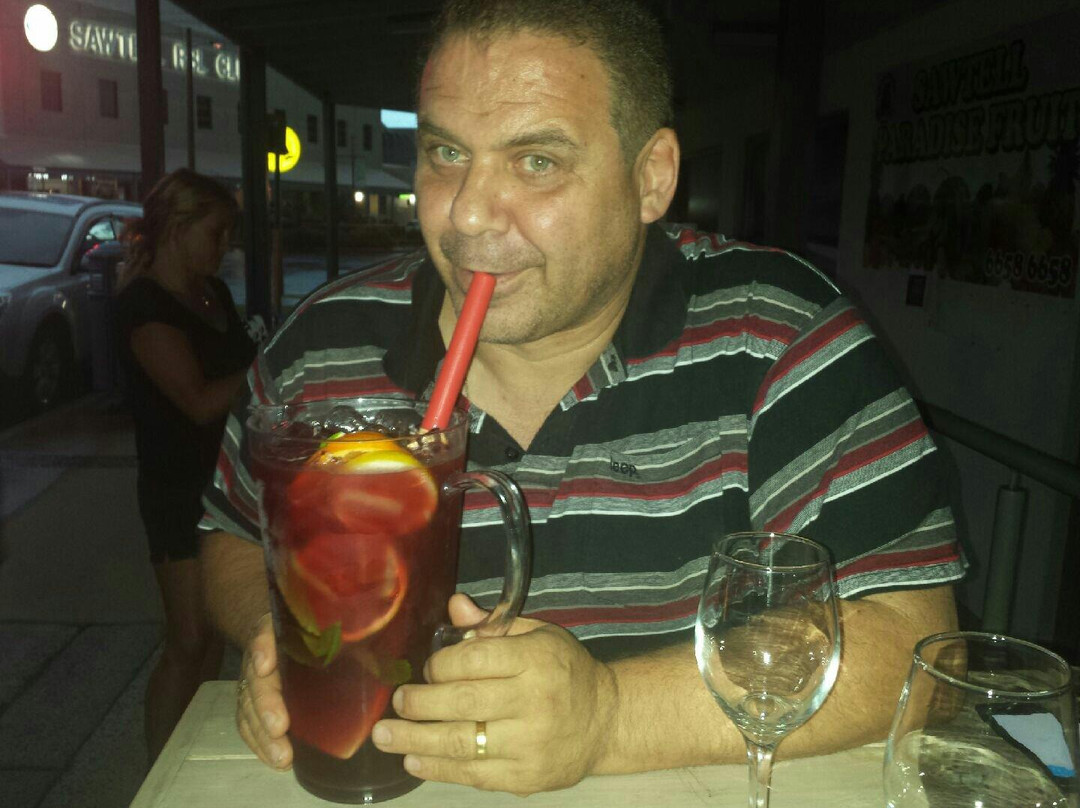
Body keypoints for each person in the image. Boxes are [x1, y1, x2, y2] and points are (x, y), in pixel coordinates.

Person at [200, 0, 965, 795]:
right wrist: (271, 629)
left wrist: (609, 718)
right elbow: (229, 534)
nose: (466, 213)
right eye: (445, 152)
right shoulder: (320, 347)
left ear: (650, 177)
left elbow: (920, 650)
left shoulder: (780, 334)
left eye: (536, 161)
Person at [116, 168, 257, 763]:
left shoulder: (211, 293)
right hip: (177, 490)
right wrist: (265, 368)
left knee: (213, 636)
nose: (224, 246)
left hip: (225, 482)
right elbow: (197, 401)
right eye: (215, 232)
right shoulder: (145, 306)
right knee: (187, 639)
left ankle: (185, 753)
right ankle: (158, 769)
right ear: (178, 227)